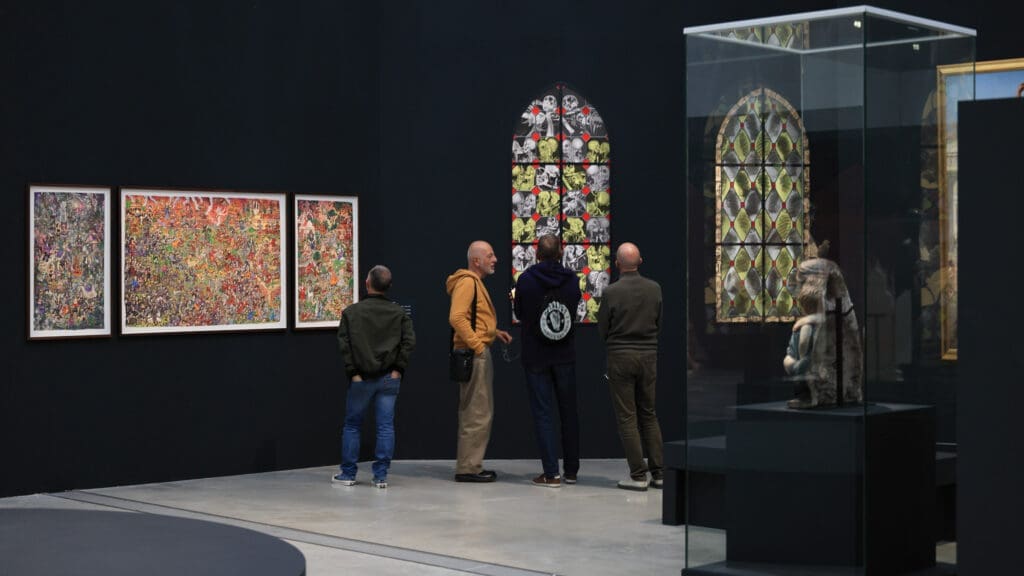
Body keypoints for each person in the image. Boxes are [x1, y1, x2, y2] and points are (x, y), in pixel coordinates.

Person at [333, 265, 416, 489]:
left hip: (361, 379)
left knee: (352, 426)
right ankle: (380, 476)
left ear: (367, 283)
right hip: (390, 377)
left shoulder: (351, 313)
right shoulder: (398, 313)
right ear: (389, 286)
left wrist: (354, 373)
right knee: (385, 427)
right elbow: (409, 342)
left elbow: (344, 346)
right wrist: (398, 369)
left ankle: (348, 473)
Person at [513, 235, 582, 488]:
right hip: (564, 355)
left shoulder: (526, 280)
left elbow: (520, 313)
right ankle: (571, 471)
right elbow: (574, 310)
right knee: (569, 413)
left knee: (543, 414)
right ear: (561, 253)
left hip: (536, 356)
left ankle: (551, 474)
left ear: (536, 253)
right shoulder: (572, 279)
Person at [597, 242, 664, 491]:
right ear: (640, 261)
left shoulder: (611, 292)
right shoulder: (655, 289)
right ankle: (659, 472)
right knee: (649, 413)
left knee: (627, 417)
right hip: (648, 355)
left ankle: (638, 475)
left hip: (620, 356)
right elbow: (659, 322)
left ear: (617, 264)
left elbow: (603, 328)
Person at [446, 241, 513, 482]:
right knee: (477, 412)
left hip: (476, 352)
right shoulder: (467, 282)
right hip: (475, 355)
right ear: (476, 261)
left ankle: (470, 465)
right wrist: (477, 346)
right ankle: (468, 469)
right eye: (490, 255)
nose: (495, 260)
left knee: (477, 410)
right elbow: (456, 317)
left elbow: (474, 318)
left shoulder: (473, 282)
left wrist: (494, 332)